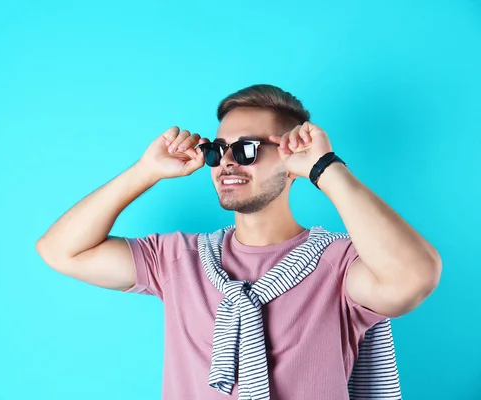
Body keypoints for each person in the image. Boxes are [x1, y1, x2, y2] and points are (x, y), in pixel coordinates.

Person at [35, 84, 442, 399]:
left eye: (247, 149)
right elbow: (60, 250)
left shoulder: (341, 266)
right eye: (217, 150)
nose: (227, 162)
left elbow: (414, 278)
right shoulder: (179, 260)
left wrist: (325, 168)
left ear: (291, 158)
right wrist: (146, 171)